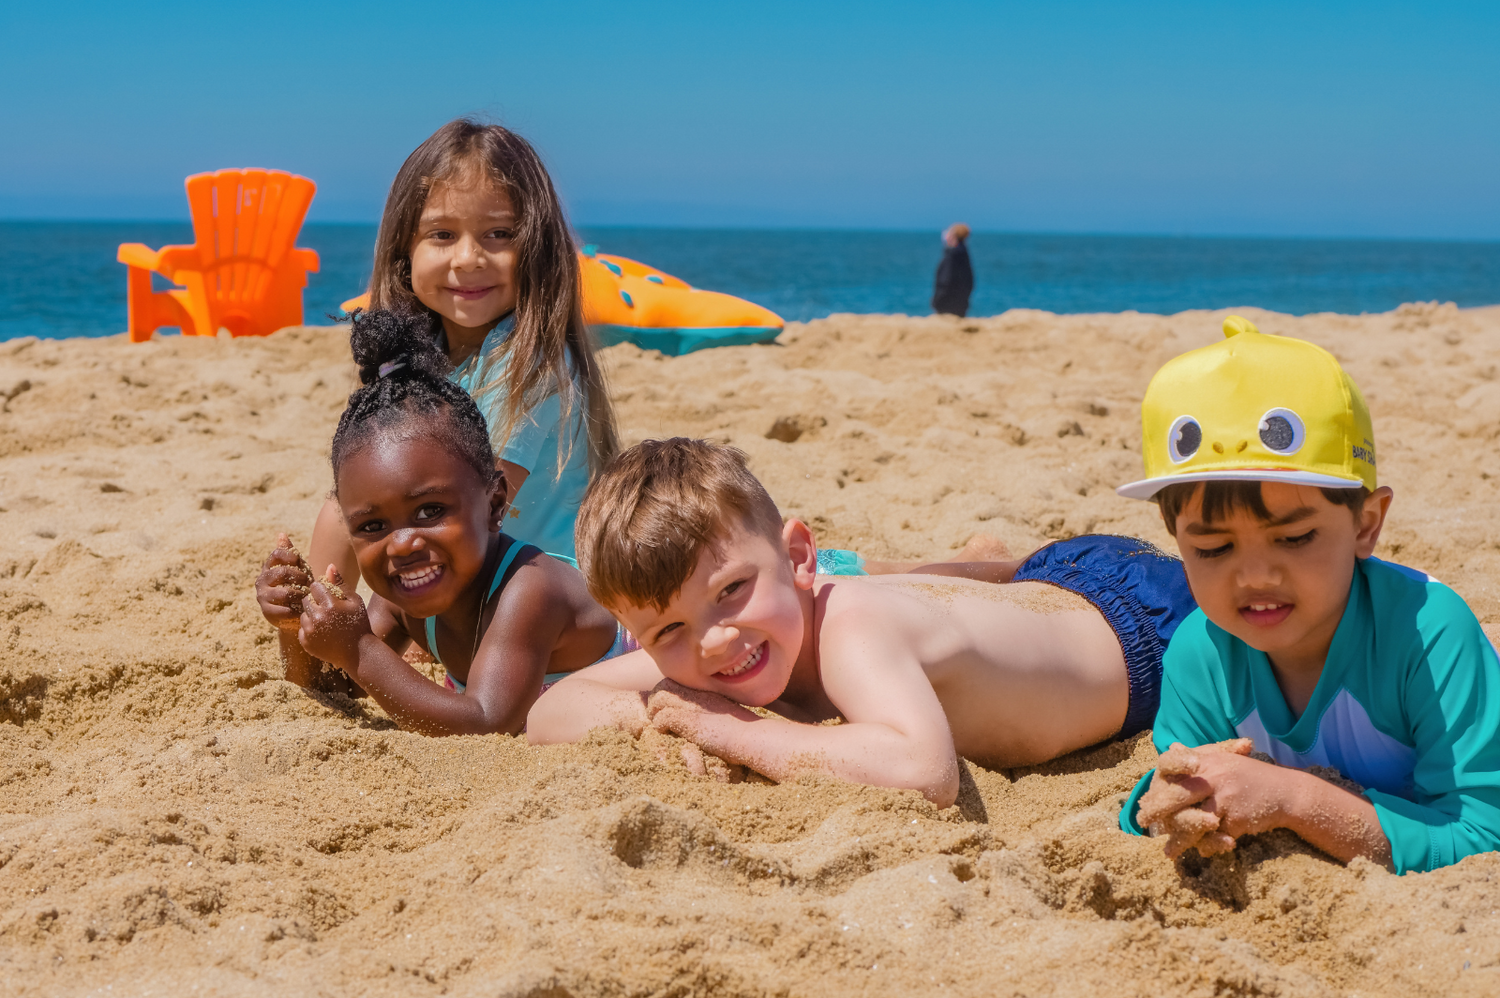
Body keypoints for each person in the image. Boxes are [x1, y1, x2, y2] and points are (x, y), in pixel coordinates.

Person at [525, 437, 1197, 808]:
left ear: (797, 558)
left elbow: (924, 772)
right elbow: (553, 710)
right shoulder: (712, 650)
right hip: (1046, 594)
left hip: (1146, 624)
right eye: (668, 631)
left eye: (732, 589)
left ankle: (984, 567)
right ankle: (977, 570)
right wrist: (663, 713)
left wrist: (717, 727)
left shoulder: (850, 625)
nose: (715, 638)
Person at [1115, 315, 1500, 874]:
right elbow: (1162, 793)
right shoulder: (1201, 652)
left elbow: (1484, 833)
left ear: (1367, 524)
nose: (1254, 577)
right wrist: (1165, 808)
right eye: (1214, 548)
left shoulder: (1428, 632)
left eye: (1294, 538)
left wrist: (1296, 800)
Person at [254, 310, 631, 736]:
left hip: (640, 677)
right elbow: (334, 688)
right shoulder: (402, 596)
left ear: (494, 504)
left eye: (430, 512)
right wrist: (293, 626)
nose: (402, 545)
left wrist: (359, 647)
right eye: (373, 526)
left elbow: (487, 722)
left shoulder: (529, 589)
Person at [308, 117, 618, 584]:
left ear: (538, 249)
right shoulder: (423, 352)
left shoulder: (526, 362)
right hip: (468, 570)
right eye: (442, 235)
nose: (470, 258)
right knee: (348, 502)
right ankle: (319, 630)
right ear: (404, 251)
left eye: (499, 234)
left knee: (373, 510)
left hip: (542, 589)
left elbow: (475, 513)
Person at [931, 223, 974, 317]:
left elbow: (946, 280)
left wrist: (937, 301)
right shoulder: (963, 252)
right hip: (960, 303)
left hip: (948, 304)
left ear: (953, 236)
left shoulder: (953, 255)